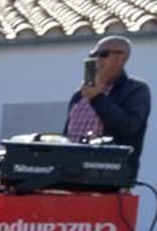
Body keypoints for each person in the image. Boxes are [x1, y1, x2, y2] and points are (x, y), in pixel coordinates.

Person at [64, 35, 150, 176]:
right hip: (73, 173)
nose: (96, 60)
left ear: (121, 58)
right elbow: (67, 134)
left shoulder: (134, 89)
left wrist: (97, 98)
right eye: (93, 55)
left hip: (109, 174)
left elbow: (129, 127)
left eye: (103, 54)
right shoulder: (80, 94)